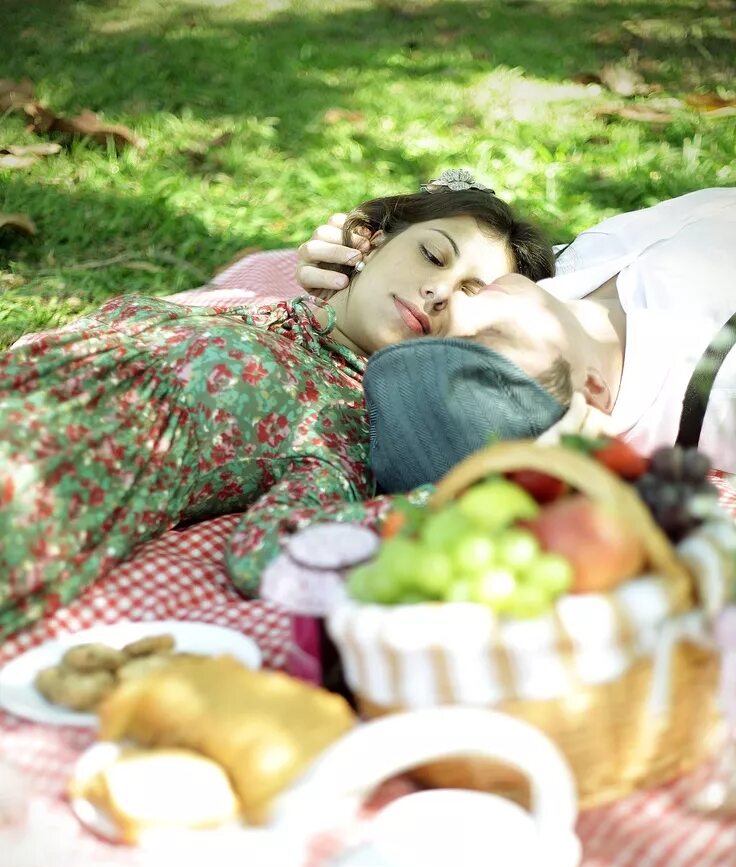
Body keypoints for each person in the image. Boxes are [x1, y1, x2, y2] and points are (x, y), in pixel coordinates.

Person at [0, 174, 554, 641]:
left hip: (40, 474)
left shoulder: (347, 417)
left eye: (469, 295)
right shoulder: (254, 311)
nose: (439, 291)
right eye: (434, 255)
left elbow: (276, 554)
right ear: (370, 241)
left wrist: (461, 496)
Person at [298, 188, 736, 478]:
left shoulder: (547, 287)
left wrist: (356, 257)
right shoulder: (719, 392)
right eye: (480, 344)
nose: (454, 306)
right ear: (592, 393)